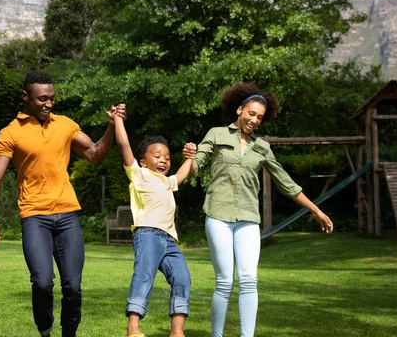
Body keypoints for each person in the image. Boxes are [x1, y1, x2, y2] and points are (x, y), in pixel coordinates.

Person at [0, 69, 125, 337]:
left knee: (73, 286)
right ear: (26, 97)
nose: (49, 103)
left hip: (67, 216)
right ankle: (45, 331)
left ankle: (69, 333)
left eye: (52, 98)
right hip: (34, 216)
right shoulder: (11, 132)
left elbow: (94, 154)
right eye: (42, 98)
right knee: (42, 283)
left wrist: (112, 125)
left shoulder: (65, 125)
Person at [183, 82, 334, 337]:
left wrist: (315, 210)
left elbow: (286, 183)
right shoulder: (217, 134)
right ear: (240, 110)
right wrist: (189, 157)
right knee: (224, 282)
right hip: (218, 216)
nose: (254, 120)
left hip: (248, 219)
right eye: (251, 113)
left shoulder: (262, 147)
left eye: (260, 117)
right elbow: (197, 165)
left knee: (249, 280)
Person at [113, 112, 193, 337]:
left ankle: (177, 332)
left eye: (167, 158)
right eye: (157, 156)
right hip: (147, 234)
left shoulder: (168, 182)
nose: (163, 161)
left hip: (170, 240)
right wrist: (118, 120)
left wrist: (190, 157)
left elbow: (183, 173)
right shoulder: (139, 175)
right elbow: (123, 144)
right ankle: (133, 329)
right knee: (144, 275)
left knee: (182, 277)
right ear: (143, 161)